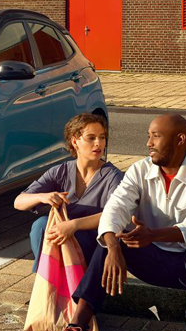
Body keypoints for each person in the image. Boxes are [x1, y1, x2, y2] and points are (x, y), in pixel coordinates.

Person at [47, 113, 186, 331]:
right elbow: (116, 208)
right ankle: (78, 330)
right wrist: (111, 246)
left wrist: (155, 234)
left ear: (180, 140)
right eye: (148, 135)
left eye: (156, 136)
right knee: (113, 239)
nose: (148, 142)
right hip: (151, 260)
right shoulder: (140, 170)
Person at [15, 113, 122, 271]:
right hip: (63, 238)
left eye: (102, 137)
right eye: (91, 138)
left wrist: (74, 225)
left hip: (95, 243)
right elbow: (19, 202)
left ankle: (65, 282)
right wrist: (43, 196)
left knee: (59, 232)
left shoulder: (113, 176)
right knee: (41, 226)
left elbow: (116, 214)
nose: (98, 143)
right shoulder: (60, 171)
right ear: (75, 141)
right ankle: (46, 278)